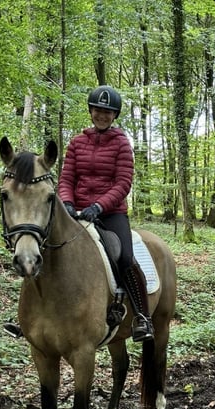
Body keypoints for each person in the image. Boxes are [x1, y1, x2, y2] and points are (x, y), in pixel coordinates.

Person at [58, 85, 154, 342]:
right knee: (43, 248)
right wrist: (67, 202)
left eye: (107, 112)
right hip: (75, 213)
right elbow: (66, 178)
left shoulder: (122, 143)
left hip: (110, 214)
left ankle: (142, 317)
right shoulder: (77, 142)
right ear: (91, 111)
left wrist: (99, 206)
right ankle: (32, 317)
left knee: (124, 258)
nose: (102, 115)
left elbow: (123, 183)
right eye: (98, 110)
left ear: (115, 116)